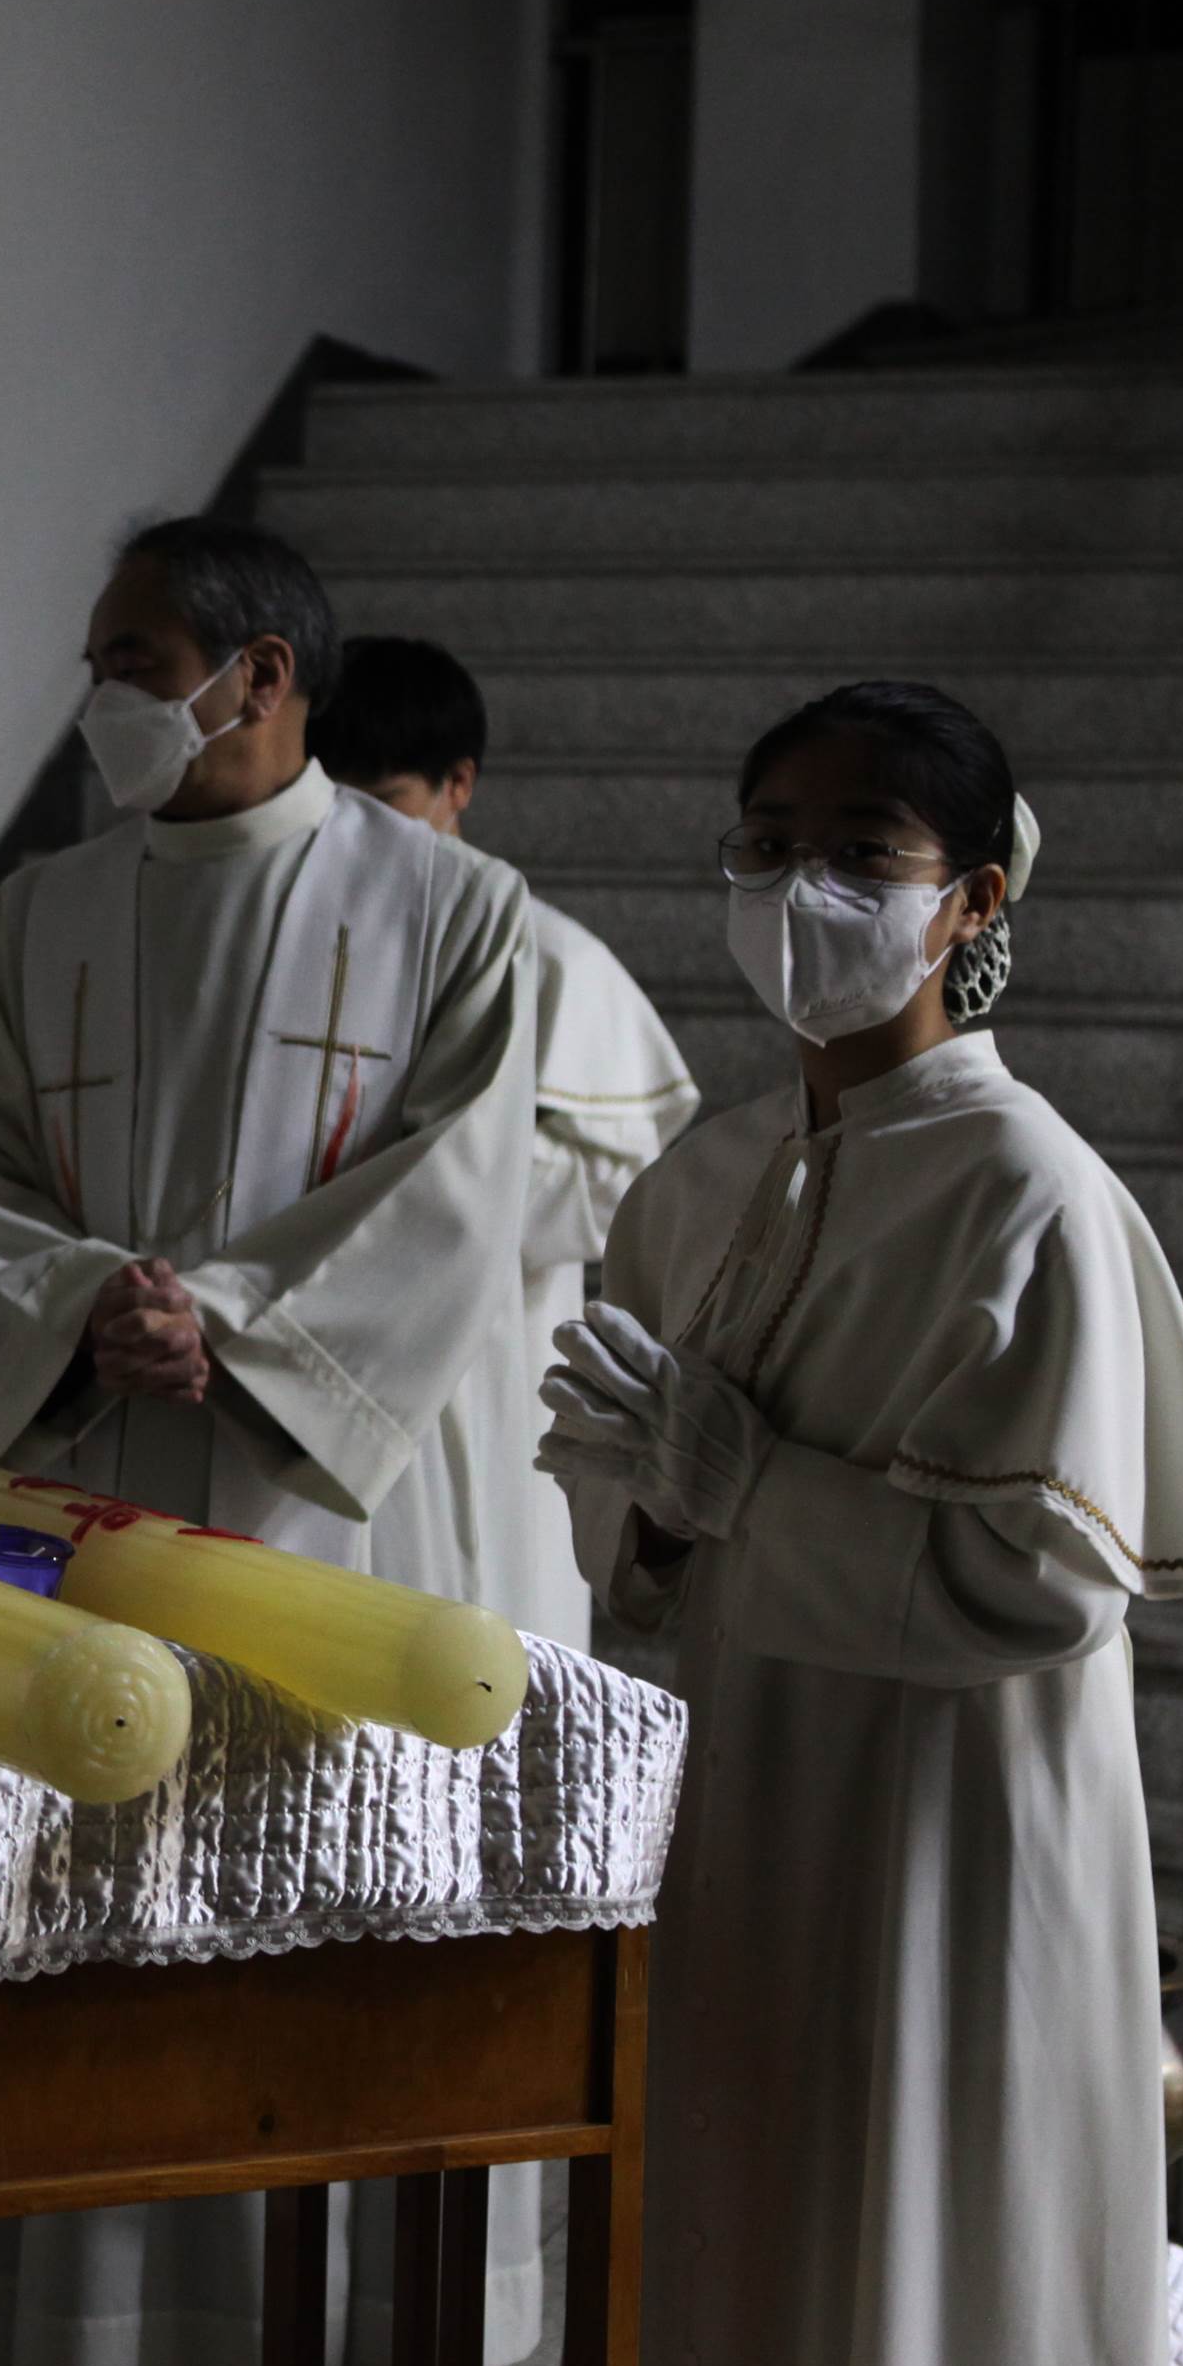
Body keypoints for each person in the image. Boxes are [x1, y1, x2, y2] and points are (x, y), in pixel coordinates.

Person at [536, 681, 1183, 2366]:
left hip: (953, 1831)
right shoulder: (702, 1174)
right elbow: (619, 1510)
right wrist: (659, 1510)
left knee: (923, 2268)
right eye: (770, 844)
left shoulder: (1031, 1192)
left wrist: (746, 1487)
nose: (803, 889)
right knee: (740, 2241)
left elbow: (1038, 1583)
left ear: (976, 899)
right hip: (741, 1796)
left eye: (863, 852)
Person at [0, 518, 543, 2366]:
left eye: (133, 656)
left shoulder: (454, 907)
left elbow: (462, 1183)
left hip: (329, 1512)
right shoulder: (45, 914)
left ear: (258, 675)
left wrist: (240, 1327)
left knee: (317, 1907)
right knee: (97, 1898)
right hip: (95, 1486)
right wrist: (83, 1307)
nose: (101, 691)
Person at [309, 633, 696, 1649]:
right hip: (305, 1347)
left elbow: (617, 1177)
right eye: (330, 798)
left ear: (459, 785)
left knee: (474, 1626)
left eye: (383, 799)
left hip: (479, 1349)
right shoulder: (288, 950)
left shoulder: (550, 955)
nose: (354, 829)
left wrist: (426, 1186)